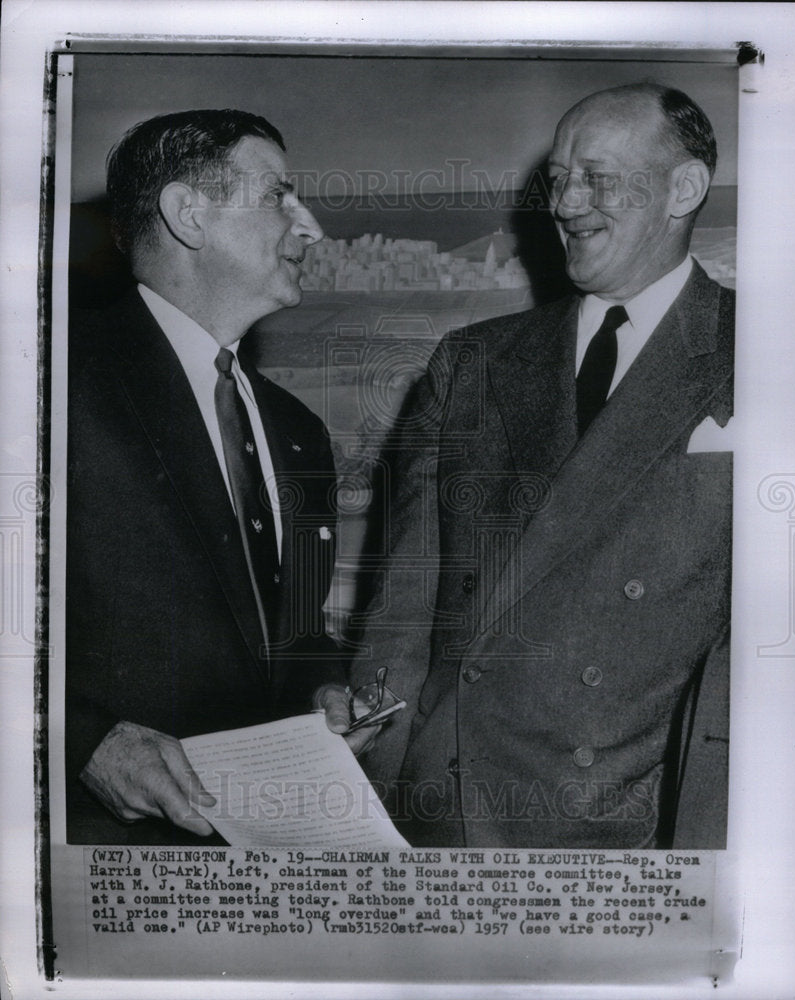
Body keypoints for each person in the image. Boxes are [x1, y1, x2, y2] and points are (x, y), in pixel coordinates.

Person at [351, 84, 734, 849]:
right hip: (451, 805)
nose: (566, 202)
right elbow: (404, 602)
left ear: (683, 189)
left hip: (635, 821)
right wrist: (374, 781)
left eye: (596, 176)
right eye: (557, 179)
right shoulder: (473, 360)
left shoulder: (767, 351)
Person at [66, 109, 367, 844]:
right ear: (188, 215)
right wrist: (81, 743)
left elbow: (296, 629)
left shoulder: (297, 431)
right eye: (277, 197)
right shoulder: (50, 381)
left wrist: (324, 690)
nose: (309, 228)